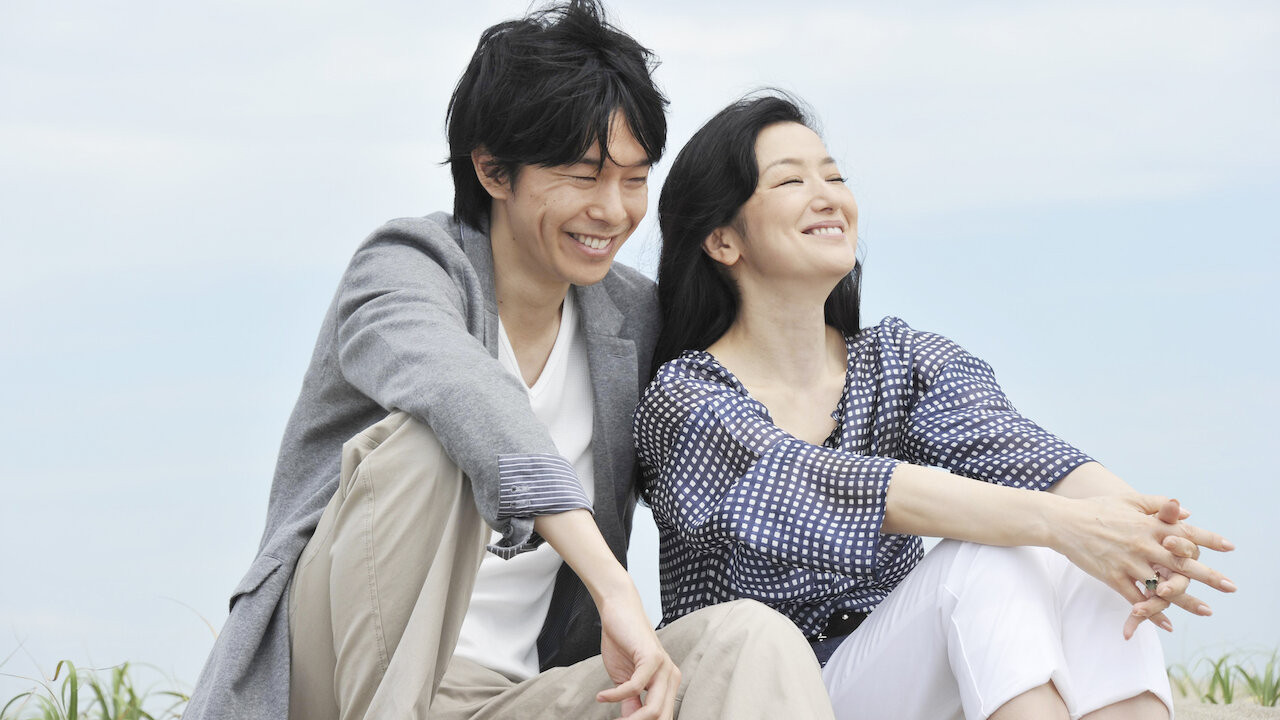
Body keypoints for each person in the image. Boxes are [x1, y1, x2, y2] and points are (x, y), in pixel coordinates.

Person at [184, 7, 834, 720]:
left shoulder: (634, 320)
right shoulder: (405, 267)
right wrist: (613, 584)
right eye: (583, 176)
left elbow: (731, 431)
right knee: (432, 447)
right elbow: (465, 395)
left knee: (752, 640)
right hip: (334, 681)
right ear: (493, 169)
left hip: (511, 695)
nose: (613, 210)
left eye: (633, 179)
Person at [633, 93, 1237, 720]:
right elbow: (851, 489)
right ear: (722, 240)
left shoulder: (899, 360)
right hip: (766, 695)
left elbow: (1017, 449)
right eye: (791, 181)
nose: (829, 196)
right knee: (1001, 551)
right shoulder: (687, 399)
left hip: (896, 681)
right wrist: (1070, 526)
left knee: (1087, 556)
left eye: (834, 177)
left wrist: (1146, 533)